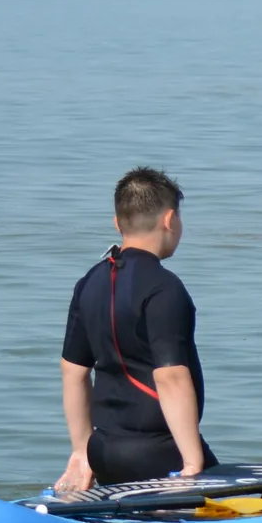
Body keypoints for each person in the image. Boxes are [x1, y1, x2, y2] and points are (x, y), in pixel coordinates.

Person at [57, 167, 213, 489]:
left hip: (103, 450)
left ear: (118, 223)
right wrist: (193, 465)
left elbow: (73, 372)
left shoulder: (90, 282)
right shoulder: (164, 288)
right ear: (170, 220)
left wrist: (82, 452)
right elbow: (170, 376)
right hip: (157, 452)